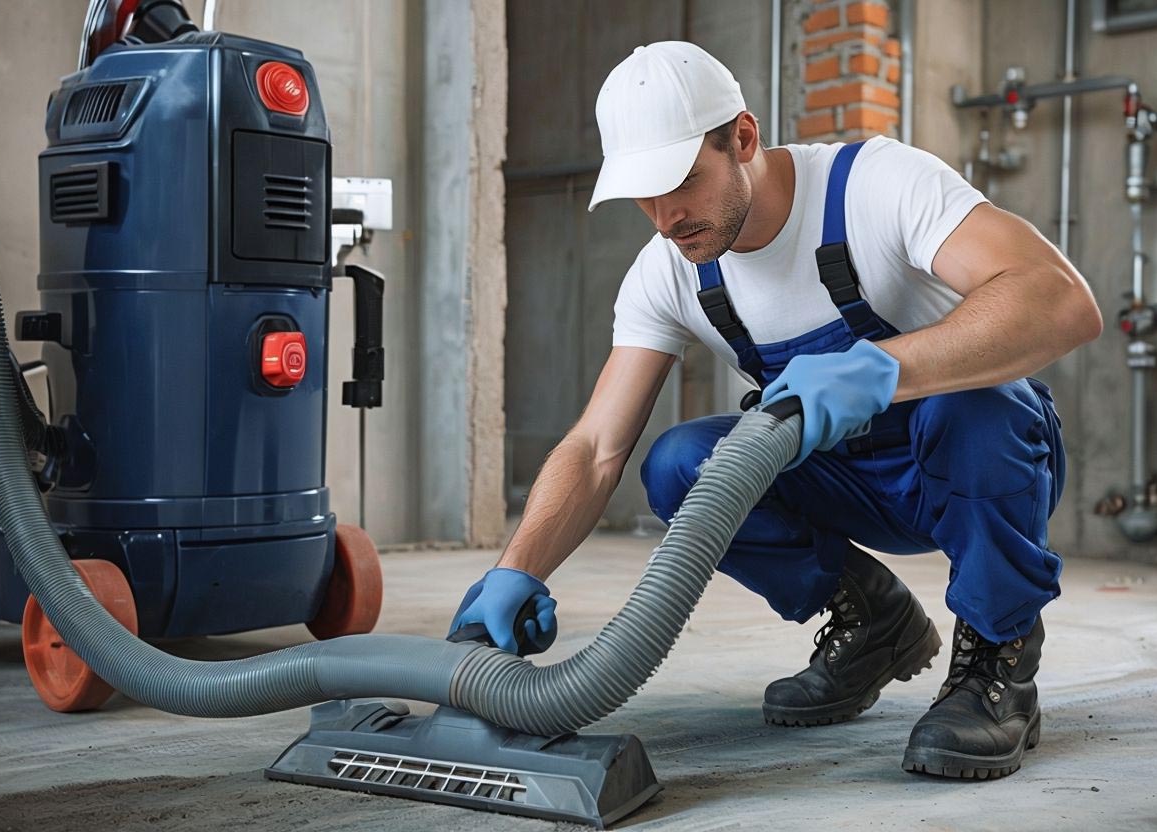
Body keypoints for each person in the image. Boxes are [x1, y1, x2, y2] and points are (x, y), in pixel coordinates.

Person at [450, 41, 1101, 779]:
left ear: (744, 138)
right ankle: (871, 619)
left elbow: (1061, 299)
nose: (666, 218)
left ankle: (997, 658)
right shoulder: (670, 269)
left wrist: (885, 369)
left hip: (972, 463)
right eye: (644, 195)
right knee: (681, 464)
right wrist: (516, 569)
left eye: (683, 182)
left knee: (977, 406)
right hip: (843, 483)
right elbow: (598, 445)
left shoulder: (873, 186)